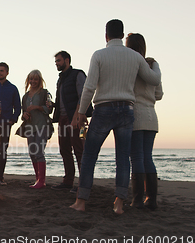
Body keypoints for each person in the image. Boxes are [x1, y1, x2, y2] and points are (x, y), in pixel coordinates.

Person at [70, 19, 161, 214]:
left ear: (106, 36)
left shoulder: (99, 55)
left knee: (89, 157)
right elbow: (154, 79)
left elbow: (90, 86)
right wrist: (155, 65)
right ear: (122, 34)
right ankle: (119, 204)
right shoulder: (135, 57)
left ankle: (81, 202)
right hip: (127, 111)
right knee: (122, 159)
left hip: (103, 109)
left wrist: (81, 112)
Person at [126, 33, 163, 210]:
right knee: (148, 156)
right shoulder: (152, 65)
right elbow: (159, 94)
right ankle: (152, 199)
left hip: (136, 114)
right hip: (152, 115)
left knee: (137, 157)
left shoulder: (132, 65)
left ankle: (138, 199)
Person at [50, 51, 93, 193]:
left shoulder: (78, 74)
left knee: (80, 150)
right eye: (55, 61)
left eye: (59, 61)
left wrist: (77, 117)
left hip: (78, 119)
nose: (56, 63)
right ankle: (68, 181)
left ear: (67, 60)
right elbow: (63, 100)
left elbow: (83, 96)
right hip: (63, 119)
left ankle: (84, 183)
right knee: (64, 150)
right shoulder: (60, 79)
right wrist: (52, 106)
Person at [16, 70, 53, 189]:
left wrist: (37, 107)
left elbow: (49, 109)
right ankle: (38, 179)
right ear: (28, 80)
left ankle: (42, 181)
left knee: (38, 152)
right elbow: (23, 113)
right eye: (31, 79)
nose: (33, 81)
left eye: (35, 79)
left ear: (40, 80)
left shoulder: (44, 93)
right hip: (30, 127)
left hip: (42, 126)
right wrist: (24, 115)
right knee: (32, 153)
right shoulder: (25, 96)